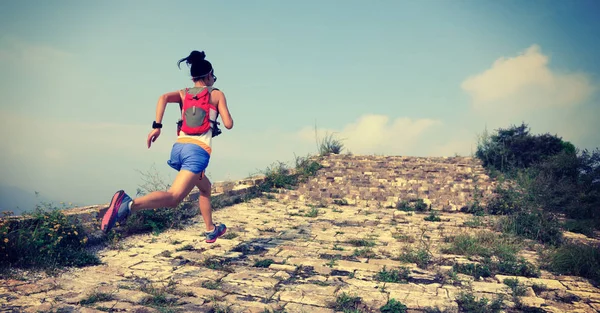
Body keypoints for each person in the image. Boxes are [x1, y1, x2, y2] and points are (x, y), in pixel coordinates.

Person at [100, 50, 234, 243]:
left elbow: (162, 97)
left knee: (205, 187)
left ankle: (210, 229)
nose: (214, 78)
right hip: (197, 152)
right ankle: (128, 204)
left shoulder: (183, 94)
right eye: (213, 75)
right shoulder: (217, 94)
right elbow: (228, 124)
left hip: (179, 149)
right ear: (207, 76)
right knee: (174, 198)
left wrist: (157, 127)